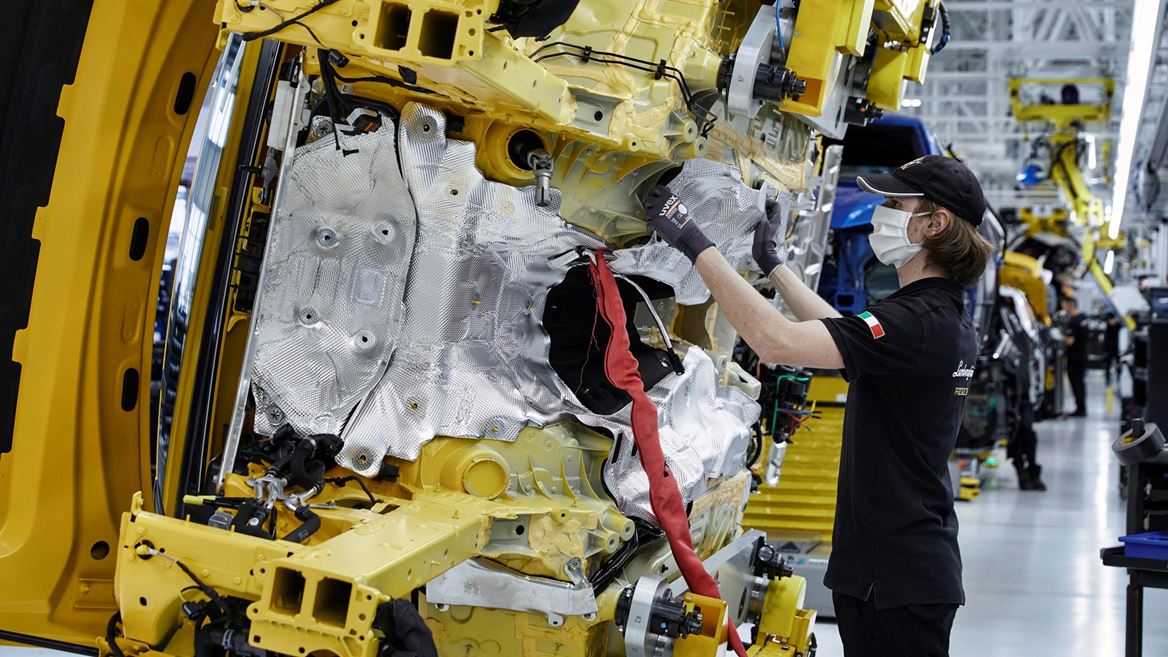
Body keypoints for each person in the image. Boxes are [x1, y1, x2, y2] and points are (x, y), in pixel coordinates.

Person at [644, 155, 993, 656]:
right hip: (902, 567)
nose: (881, 213)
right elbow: (842, 336)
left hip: (894, 576)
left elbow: (778, 342)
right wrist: (774, 266)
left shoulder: (916, 322)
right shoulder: (939, 317)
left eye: (896, 204)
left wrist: (695, 243)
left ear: (934, 224)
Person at [1060, 297, 1088, 416]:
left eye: (1064, 305)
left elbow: (1070, 341)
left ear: (1070, 305)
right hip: (1083, 354)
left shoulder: (1074, 321)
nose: (1063, 308)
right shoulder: (1084, 317)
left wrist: (1058, 339)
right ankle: (1082, 407)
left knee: (1076, 383)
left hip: (1074, 356)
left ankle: (1080, 409)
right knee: (1080, 382)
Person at [1104, 312, 1121, 386]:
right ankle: (1107, 381)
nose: (1111, 322)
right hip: (1109, 349)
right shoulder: (1107, 327)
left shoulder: (1119, 326)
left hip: (1117, 349)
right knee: (1108, 365)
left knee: (1119, 365)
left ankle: (1118, 379)